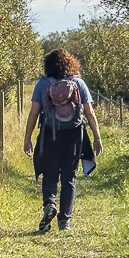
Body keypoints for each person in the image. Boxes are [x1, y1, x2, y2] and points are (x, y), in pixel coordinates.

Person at [23, 48, 103, 232]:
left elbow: (34, 113)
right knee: (69, 177)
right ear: (71, 63)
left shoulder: (43, 84)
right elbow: (89, 113)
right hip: (74, 136)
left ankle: (50, 204)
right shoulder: (79, 83)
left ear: (48, 65)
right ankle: (64, 221)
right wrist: (97, 138)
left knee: (50, 173)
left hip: (49, 135)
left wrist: (27, 138)